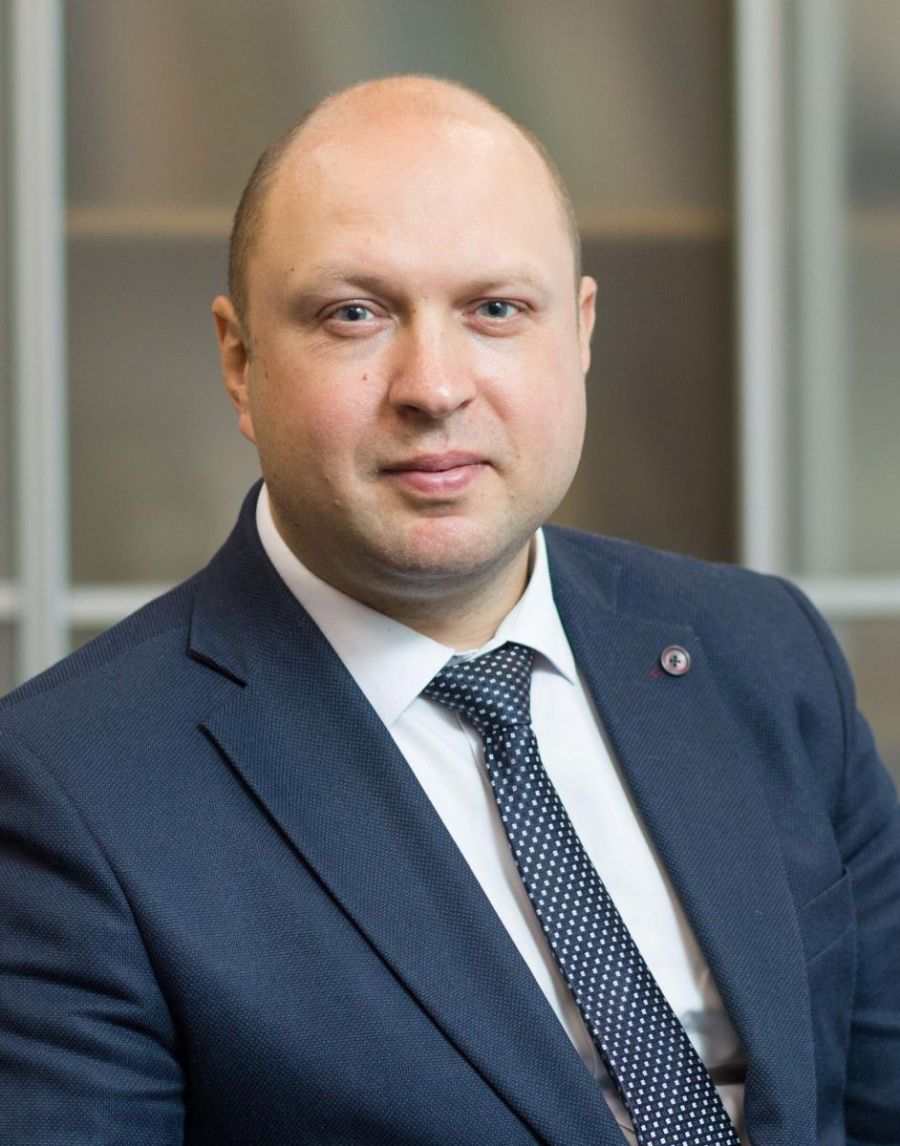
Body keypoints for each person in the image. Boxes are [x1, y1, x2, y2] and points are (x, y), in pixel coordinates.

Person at [1, 75, 898, 1146]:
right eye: (355, 314)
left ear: (580, 331)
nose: (433, 386)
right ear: (240, 362)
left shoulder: (763, 651)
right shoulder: (66, 794)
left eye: (496, 310)